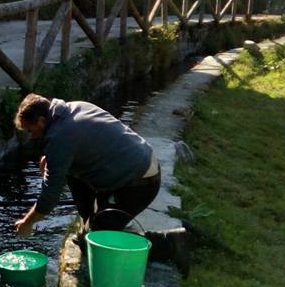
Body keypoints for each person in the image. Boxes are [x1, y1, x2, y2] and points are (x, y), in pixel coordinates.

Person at [12, 93, 187, 269]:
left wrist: (27, 223)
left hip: (138, 183)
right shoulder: (72, 108)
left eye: (30, 130)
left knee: (97, 245)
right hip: (140, 164)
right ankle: (91, 222)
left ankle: (170, 243)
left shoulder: (59, 138)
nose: (32, 136)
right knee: (72, 174)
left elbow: (49, 197)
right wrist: (51, 164)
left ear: (42, 121)